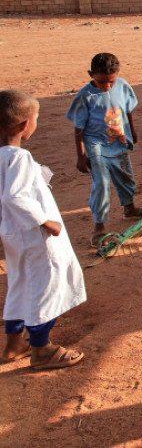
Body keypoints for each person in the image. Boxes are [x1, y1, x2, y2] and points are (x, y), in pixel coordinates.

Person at [1, 89, 87, 370]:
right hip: (35, 235)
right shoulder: (19, 158)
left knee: (20, 283)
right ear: (25, 125)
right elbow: (14, 196)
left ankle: (14, 344)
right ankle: (42, 349)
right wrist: (45, 221)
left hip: (13, 234)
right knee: (46, 286)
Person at [66, 53, 142, 245]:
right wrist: (81, 156)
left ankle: (129, 208)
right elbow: (78, 128)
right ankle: (99, 227)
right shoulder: (85, 96)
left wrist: (132, 131)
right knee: (102, 184)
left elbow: (128, 110)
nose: (107, 86)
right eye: (102, 82)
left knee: (126, 178)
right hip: (97, 146)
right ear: (91, 74)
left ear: (117, 75)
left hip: (119, 142)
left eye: (111, 82)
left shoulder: (122, 86)